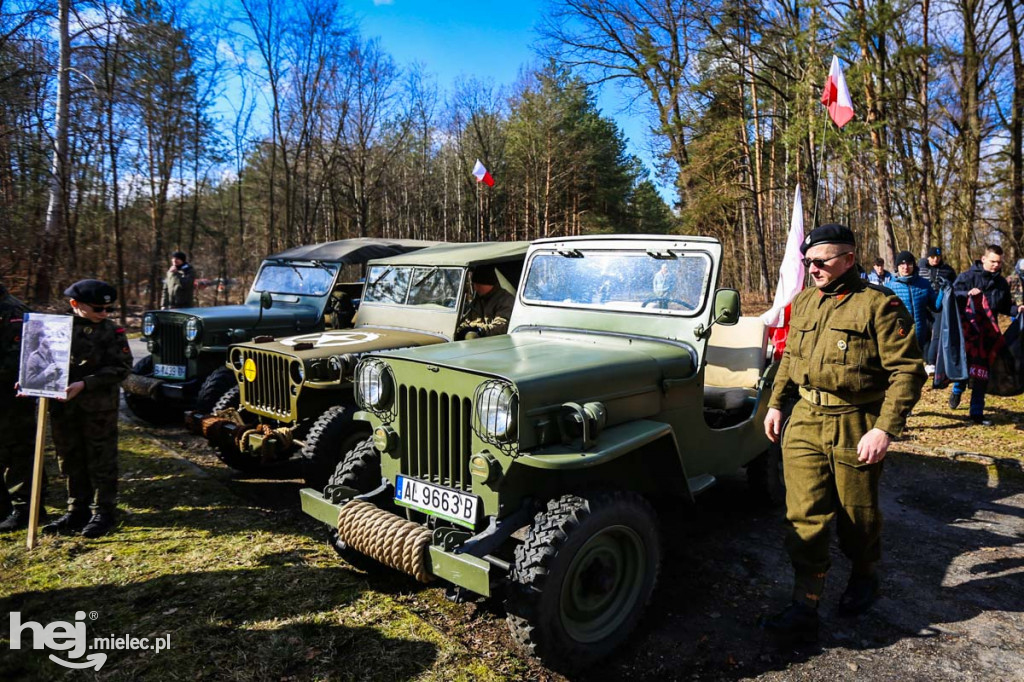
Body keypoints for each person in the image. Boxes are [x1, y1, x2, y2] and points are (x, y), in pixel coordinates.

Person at [761, 224, 925, 643]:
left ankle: (865, 573)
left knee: (858, 516)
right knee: (804, 514)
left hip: (856, 423)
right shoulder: (804, 301)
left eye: (821, 261)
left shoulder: (878, 305)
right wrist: (777, 403)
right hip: (805, 421)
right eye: (808, 262)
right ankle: (805, 603)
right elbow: (789, 357)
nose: (812, 268)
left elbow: (907, 371)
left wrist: (885, 428)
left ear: (849, 259)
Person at [42, 279, 133, 538]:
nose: (104, 314)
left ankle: (103, 511)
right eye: (97, 309)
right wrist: (31, 379)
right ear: (75, 304)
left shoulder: (112, 332)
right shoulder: (55, 329)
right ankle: (76, 510)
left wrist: (86, 383)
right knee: (69, 458)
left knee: (101, 460)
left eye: (108, 310)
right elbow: (38, 359)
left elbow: (122, 367)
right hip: (63, 408)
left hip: (98, 409)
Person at [949, 245, 1018, 425]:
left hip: (988, 335)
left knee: (982, 374)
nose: (996, 265)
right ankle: (957, 390)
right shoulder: (967, 277)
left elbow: (1004, 306)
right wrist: (967, 294)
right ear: (983, 259)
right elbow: (951, 295)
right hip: (967, 333)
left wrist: (1017, 309)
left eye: (999, 262)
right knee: (966, 371)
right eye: (993, 261)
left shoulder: (1001, 283)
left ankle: (977, 413)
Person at [0, 280, 42, 532]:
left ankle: (25, 509)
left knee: (18, 452)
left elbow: (21, 357)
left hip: (11, 395)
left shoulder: (13, 311)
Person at [887, 250, 938, 352]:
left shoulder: (924, 284)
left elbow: (936, 306)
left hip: (920, 336)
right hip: (899, 338)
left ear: (914, 266)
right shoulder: (889, 287)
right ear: (897, 267)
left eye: (909, 264)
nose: (906, 267)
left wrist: (943, 292)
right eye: (902, 264)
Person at [456, 265, 515, 339]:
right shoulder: (477, 300)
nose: (475, 288)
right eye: (474, 284)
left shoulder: (505, 300)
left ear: (489, 284)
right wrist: (461, 330)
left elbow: (502, 326)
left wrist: (480, 330)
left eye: (478, 285)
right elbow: (466, 320)